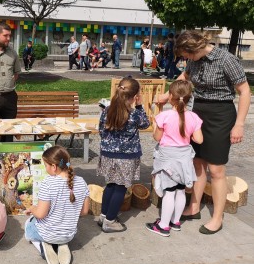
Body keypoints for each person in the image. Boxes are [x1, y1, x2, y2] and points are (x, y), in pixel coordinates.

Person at [156, 30, 250, 235]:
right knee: (197, 162)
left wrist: (239, 124)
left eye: (187, 55)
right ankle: (194, 207)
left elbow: (244, 91)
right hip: (198, 111)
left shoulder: (226, 59)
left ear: (196, 48)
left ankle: (218, 218)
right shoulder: (194, 60)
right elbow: (185, 77)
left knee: (216, 170)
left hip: (221, 114)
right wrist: (167, 95)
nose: (186, 60)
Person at [146, 80, 203, 237]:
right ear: (188, 98)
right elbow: (199, 140)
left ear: (170, 96)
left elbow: (157, 138)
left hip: (168, 158)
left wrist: (158, 127)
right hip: (184, 159)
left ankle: (163, 226)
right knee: (180, 191)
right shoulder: (194, 117)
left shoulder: (164, 116)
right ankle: (175, 221)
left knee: (169, 191)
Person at [97, 77, 150, 232]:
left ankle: (104, 215)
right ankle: (110, 221)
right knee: (120, 188)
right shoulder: (134, 114)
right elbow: (146, 124)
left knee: (110, 185)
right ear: (134, 97)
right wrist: (139, 106)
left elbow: (101, 130)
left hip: (107, 154)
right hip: (126, 157)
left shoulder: (106, 110)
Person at [24, 145, 90, 264]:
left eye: (46, 166)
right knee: (59, 230)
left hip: (47, 233)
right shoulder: (81, 181)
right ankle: (62, 244)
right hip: (68, 234)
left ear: (54, 167)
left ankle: (44, 245)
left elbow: (40, 214)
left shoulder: (48, 183)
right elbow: (84, 212)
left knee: (28, 224)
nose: (45, 169)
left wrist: (32, 208)